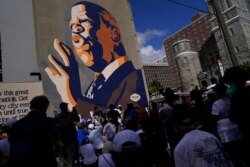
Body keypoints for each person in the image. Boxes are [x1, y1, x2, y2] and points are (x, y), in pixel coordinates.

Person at [45, 1, 148, 115]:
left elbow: (120, 117)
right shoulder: (93, 86)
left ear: (114, 34)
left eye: (84, 23)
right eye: (72, 27)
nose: (74, 37)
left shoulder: (136, 81)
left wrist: (73, 100)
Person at [8, 95, 63, 167]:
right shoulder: (48, 122)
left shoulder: (17, 124)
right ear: (45, 107)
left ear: (31, 107)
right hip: (44, 161)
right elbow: (58, 144)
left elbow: (11, 146)